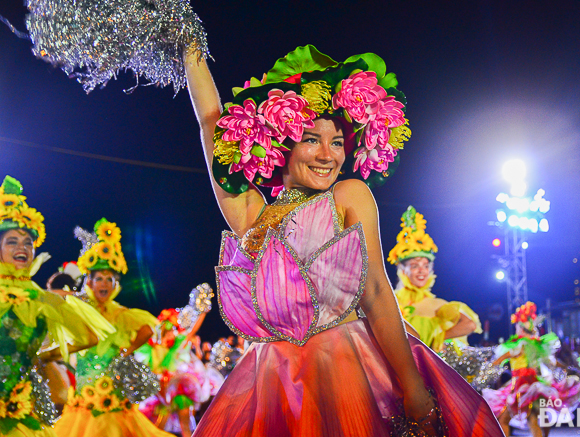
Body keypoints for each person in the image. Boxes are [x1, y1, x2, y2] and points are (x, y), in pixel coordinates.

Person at [184, 44, 503, 436]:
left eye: (337, 142)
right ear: (284, 145)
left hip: (348, 372)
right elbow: (209, 121)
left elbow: (376, 293)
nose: (327, 155)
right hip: (270, 389)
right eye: (312, 140)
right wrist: (189, 46)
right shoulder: (253, 217)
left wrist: (412, 384)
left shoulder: (348, 196)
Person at [0, 175, 113, 437]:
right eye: (12, 241)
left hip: (18, 409)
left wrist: (42, 355)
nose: (23, 248)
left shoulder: (44, 298)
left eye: (28, 242)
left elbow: (88, 336)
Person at [54, 219, 174, 437]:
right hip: (84, 393)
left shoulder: (121, 313)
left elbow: (147, 330)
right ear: (89, 282)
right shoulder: (81, 307)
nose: (104, 284)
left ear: (114, 285)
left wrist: (126, 351)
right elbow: (57, 296)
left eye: (109, 279)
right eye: (98, 278)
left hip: (112, 391)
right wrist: (76, 296)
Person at [388, 205, 482, 350]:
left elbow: (469, 324)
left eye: (426, 266)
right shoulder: (390, 300)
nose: (422, 271)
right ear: (402, 269)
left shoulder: (436, 305)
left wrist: (438, 339)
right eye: (414, 266)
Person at [482, 302, 580, 437]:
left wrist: (494, 363)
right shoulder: (536, 344)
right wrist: (565, 366)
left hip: (523, 385)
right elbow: (551, 361)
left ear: (521, 327)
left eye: (517, 325)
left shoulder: (521, 344)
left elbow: (507, 355)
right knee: (528, 419)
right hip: (528, 384)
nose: (516, 328)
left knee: (510, 419)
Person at [136, 285, 217, 437]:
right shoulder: (153, 350)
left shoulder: (179, 345)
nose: (172, 334)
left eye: (174, 330)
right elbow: (152, 370)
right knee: (158, 426)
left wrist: (202, 313)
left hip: (178, 391)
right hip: (160, 393)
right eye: (168, 332)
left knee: (185, 425)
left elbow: (191, 331)